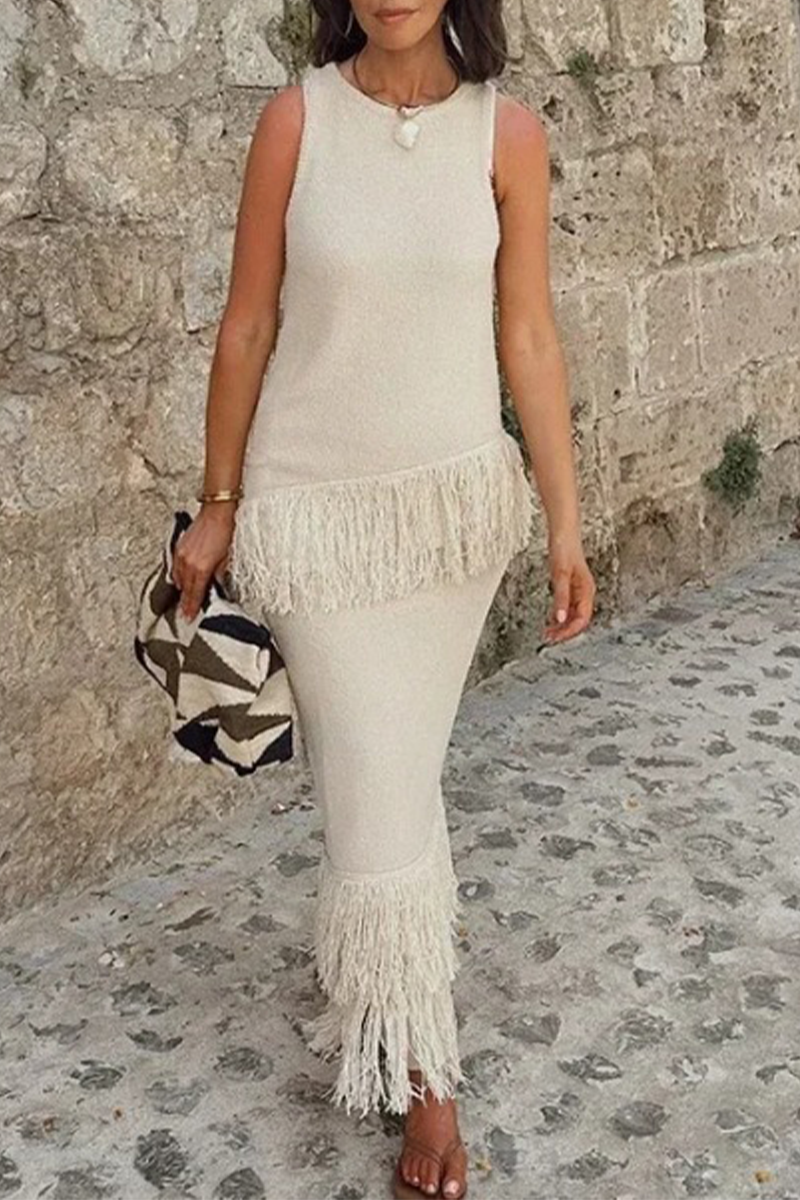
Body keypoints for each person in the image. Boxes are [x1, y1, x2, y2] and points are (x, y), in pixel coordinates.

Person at [172, 2, 595, 1196]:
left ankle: (378, 979)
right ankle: (425, 1077)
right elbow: (248, 325)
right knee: (373, 777)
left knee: (391, 780)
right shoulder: (294, 123)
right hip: (314, 520)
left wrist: (564, 523)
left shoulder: (506, 137)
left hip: (449, 524)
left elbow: (528, 337)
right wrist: (217, 502)